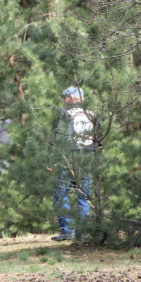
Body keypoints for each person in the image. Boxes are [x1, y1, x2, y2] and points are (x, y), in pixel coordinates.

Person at [52, 86, 101, 241]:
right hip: (87, 159)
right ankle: (83, 233)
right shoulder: (92, 114)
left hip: (68, 159)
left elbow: (57, 139)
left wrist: (52, 159)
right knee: (84, 196)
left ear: (72, 97)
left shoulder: (64, 114)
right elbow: (99, 142)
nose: (64, 100)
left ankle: (67, 231)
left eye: (66, 97)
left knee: (61, 194)